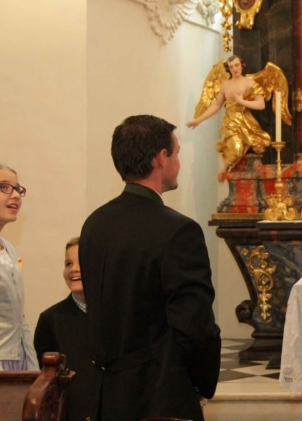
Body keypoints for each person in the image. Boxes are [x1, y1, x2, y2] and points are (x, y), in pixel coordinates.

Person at [79, 115, 222, 420]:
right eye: (178, 153)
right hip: (159, 398)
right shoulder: (178, 230)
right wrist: (200, 383)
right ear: (161, 158)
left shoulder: (95, 224)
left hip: (106, 396)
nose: (179, 163)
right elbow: (195, 326)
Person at [34, 237, 98, 421]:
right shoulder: (50, 320)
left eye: (82, 262)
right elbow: (46, 382)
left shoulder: (118, 315)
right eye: (68, 263)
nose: (74, 269)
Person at [0, 163, 38, 372]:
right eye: (4, 187)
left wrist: (33, 371)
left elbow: (20, 319)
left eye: (18, 189)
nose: (15, 195)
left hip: (18, 362)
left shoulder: (8, 249)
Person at [187, 55, 268, 180]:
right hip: (230, 122)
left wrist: (241, 102)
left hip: (245, 122)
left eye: (236, 65)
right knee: (236, 148)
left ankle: (225, 168)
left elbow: (261, 104)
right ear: (228, 69)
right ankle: (224, 169)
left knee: (242, 148)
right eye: (231, 67)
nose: (234, 69)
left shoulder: (250, 83)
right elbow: (217, 105)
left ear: (241, 65)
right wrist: (198, 120)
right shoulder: (225, 85)